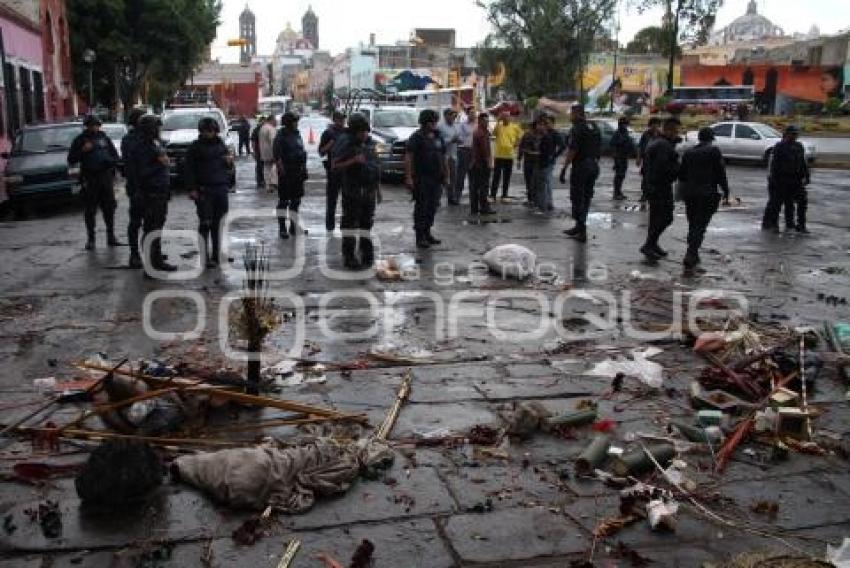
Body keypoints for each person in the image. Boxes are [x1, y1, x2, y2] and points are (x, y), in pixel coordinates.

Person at [332, 113, 380, 269]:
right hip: (353, 190)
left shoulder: (370, 143)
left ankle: (366, 253)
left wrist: (377, 189)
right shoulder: (345, 143)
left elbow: (374, 167)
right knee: (350, 224)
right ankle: (349, 256)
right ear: (354, 131)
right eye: (361, 132)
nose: (364, 134)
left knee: (367, 223)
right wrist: (353, 160)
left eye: (366, 131)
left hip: (369, 190)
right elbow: (335, 165)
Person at [185, 117, 235, 268]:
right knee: (205, 223)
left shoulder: (221, 144)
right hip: (204, 189)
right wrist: (192, 188)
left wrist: (229, 164)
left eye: (211, 131)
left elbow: (228, 165)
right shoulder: (195, 147)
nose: (209, 134)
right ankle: (204, 256)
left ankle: (217, 254)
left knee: (218, 224)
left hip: (220, 188)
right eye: (206, 131)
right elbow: (188, 169)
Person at [678, 127, 730, 269]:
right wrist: (726, 190)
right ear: (711, 139)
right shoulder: (714, 151)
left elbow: (681, 175)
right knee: (700, 225)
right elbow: (721, 173)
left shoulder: (688, 153)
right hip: (706, 194)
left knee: (693, 222)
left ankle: (692, 251)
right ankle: (691, 253)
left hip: (690, 194)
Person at [67, 115, 121, 250]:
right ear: (87, 126)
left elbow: (115, 156)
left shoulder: (105, 139)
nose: (94, 127)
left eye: (96, 125)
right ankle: (91, 239)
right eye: (91, 125)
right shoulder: (80, 140)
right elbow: (71, 159)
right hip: (90, 178)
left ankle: (111, 236)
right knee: (90, 210)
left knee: (109, 208)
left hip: (105, 177)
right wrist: (83, 151)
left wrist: (110, 162)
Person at [133, 115, 176, 272]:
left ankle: (156, 260)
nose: (159, 130)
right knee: (151, 228)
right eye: (157, 127)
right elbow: (142, 172)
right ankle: (151, 265)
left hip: (160, 191)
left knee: (157, 227)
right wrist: (159, 163)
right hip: (150, 193)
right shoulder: (142, 147)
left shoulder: (154, 143)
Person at [640, 117, 681, 261]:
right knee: (666, 217)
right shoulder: (663, 145)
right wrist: (678, 168)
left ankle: (652, 244)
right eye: (675, 131)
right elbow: (664, 168)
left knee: (655, 217)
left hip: (653, 185)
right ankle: (649, 244)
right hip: (659, 186)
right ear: (668, 130)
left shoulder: (659, 142)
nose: (677, 134)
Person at [405, 109, 448, 248]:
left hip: (437, 178)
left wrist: (447, 174)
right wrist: (409, 178)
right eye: (431, 121)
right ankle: (420, 236)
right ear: (424, 122)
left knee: (433, 206)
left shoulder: (438, 136)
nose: (434, 124)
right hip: (422, 178)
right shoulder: (416, 137)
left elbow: (443, 156)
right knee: (421, 207)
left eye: (435, 121)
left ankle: (428, 232)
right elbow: (408, 157)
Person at [560, 104, 601, 243]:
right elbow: (599, 145)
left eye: (572, 114)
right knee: (587, 196)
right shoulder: (593, 126)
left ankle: (582, 230)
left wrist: (564, 168)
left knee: (577, 197)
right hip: (593, 165)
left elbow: (573, 150)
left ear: (577, 114)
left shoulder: (577, 129)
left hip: (581, 166)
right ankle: (579, 227)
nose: (570, 117)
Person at [762, 125, 810, 233]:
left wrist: (806, 176)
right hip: (781, 180)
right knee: (776, 203)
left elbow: (803, 163)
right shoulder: (779, 147)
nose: (794, 136)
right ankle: (773, 224)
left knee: (801, 202)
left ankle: (799, 225)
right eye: (792, 134)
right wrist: (774, 181)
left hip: (796, 180)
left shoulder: (799, 146)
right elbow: (774, 166)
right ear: (787, 134)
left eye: (796, 134)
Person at [273, 111, 308, 238]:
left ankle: (293, 227)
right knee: (284, 201)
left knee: (296, 201)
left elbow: (302, 151)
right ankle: (282, 228)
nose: (296, 123)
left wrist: (304, 169)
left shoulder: (297, 134)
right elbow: (277, 156)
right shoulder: (281, 136)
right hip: (286, 172)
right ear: (288, 123)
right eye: (294, 121)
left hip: (298, 172)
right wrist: (281, 170)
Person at [121, 108, 146, 268]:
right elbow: (130, 166)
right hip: (137, 186)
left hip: (152, 187)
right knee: (136, 222)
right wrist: (135, 188)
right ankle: (134, 254)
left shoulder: (150, 137)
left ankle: (151, 250)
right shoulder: (130, 140)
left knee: (152, 222)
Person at [319, 111, 347, 231]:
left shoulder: (347, 132)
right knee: (332, 199)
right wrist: (330, 145)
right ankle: (330, 225)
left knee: (347, 199)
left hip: (347, 170)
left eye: (343, 119)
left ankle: (345, 224)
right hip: (334, 171)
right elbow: (321, 152)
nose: (342, 121)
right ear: (334, 120)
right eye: (339, 119)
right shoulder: (328, 133)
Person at [490, 111, 521, 200]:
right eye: (504, 117)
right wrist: (497, 121)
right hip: (499, 155)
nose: (506, 118)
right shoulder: (498, 126)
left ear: (510, 117)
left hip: (509, 155)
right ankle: (493, 195)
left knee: (507, 176)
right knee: (496, 176)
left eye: (507, 116)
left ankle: (504, 194)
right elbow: (493, 134)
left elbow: (520, 137)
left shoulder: (515, 127)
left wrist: (516, 144)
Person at [470, 111, 496, 217]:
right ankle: (484, 208)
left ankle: (475, 208)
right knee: (483, 186)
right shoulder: (480, 133)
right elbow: (484, 150)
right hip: (480, 163)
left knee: (476, 187)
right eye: (485, 121)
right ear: (480, 121)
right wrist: (489, 162)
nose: (487, 122)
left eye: (488, 120)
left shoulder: (483, 131)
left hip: (477, 163)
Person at [636, 117, 661, 209]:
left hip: (657, 161)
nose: (655, 126)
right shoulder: (646, 134)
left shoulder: (660, 135)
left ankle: (654, 195)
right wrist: (638, 158)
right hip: (647, 160)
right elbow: (640, 146)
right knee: (646, 177)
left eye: (657, 124)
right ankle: (644, 195)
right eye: (653, 124)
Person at [453, 106, 476, 205]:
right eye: (471, 113)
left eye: (474, 113)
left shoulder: (477, 125)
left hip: (473, 151)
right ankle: (457, 196)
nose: (473, 115)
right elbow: (457, 136)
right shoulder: (462, 125)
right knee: (461, 175)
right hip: (463, 150)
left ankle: (473, 197)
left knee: (474, 175)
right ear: (467, 114)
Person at [610, 116, 636, 201]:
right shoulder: (617, 134)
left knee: (622, 175)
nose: (626, 126)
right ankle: (616, 193)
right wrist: (616, 158)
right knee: (619, 175)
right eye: (624, 124)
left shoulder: (625, 133)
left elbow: (629, 143)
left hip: (624, 156)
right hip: (619, 157)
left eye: (626, 124)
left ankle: (619, 192)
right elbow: (613, 145)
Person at [437, 108, 460, 204]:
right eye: (451, 115)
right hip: (443, 156)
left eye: (454, 115)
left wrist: (458, 141)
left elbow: (457, 137)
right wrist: (450, 140)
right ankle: (437, 199)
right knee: (442, 177)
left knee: (453, 177)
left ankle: (451, 198)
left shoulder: (455, 126)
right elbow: (438, 142)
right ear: (445, 116)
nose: (453, 117)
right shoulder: (440, 126)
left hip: (453, 155)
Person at [517, 119, 539, 206]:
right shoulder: (539, 135)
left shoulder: (526, 135)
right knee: (534, 181)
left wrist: (519, 159)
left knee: (529, 180)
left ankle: (531, 199)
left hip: (529, 161)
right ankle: (534, 199)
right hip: (536, 161)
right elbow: (521, 147)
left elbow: (521, 147)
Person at [259, 115, 278, 193]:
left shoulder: (262, 128)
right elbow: (273, 141)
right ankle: (273, 183)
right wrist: (276, 152)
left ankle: (267, 185)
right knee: (275, 166)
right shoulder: (271, 129)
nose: (276, 122)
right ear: (271, 120)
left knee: (266, 168)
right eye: (275, 120)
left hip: (263, 151)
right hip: (271, 151)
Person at [250, 116, 265, 188]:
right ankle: (260, 181)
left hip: (263, 150)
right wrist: (254, 151)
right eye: (263, 121)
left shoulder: (262, 129)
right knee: (260, 166)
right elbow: (253, 141)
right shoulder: (257, 130)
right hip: (259, 150)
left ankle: (262, 181)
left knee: (263, 166)